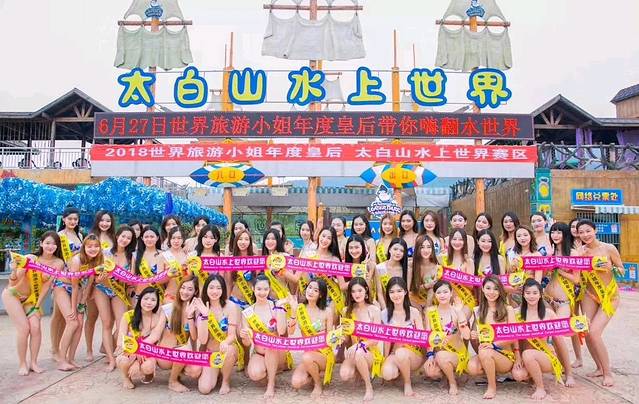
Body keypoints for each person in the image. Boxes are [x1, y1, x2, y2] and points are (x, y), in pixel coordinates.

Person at [3, 231, 62, 375]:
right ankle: (22, 363)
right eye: (47, 243)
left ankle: (34, 363)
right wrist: (14, 270)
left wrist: (37, 306)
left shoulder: (58, 263)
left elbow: (46, 287)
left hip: (32, 300)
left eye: (54, 244)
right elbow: (13, 281)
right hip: (13, 295)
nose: (50, 246)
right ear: (41, 244)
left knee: (35, 327)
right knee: (24, 328)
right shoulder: (31, 258)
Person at [577, 219, 624, 387]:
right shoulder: (580, 251)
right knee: (587, 331)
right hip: (589, 295)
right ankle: (598, 367)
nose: (585, 235)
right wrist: (579, 258)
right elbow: (575, 275)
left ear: (595, 230)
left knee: (595, 332)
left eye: (588, 231)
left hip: (609, 296)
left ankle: (607, 373)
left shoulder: (609, 248)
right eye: (581, 232)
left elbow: (622, 270)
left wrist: (611, 268)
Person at [511, 279, 575, 400]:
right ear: (523, 295)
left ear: (540, 294)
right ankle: (532, 376)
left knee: (528, 354)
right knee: (518, 375)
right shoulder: (516, 314)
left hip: (545, 356)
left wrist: (569, 374)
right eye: (528, 293)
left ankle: (540, 388)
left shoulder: (548, 314)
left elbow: (560, 342)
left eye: (535, 293)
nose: (531, 296)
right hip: (525, 357)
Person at [467, 276, 519, 400]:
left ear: (500, 291)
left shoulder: (508, 309)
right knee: (472, 367)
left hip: (505, 355)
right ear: (483, 289)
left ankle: (492, 387)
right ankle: (491, 372)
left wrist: (517, 356)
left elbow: (514, 336)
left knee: (485, 352)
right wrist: (474, 335)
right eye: (488, 288)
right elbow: (477, 335)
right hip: (486, 351)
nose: (492, 292)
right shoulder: (478, 311)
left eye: (496, 289)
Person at [56, 234, 102, 371]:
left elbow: (89, 284)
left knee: (80, 324)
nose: (93, 249)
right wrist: (73, 308)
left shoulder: (96, 261)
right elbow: (74, 286)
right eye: (89, 246)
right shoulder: (77, 260)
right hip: (63, 287)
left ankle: (71, 359)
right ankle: (62, 360)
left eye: (96, 246)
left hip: (80, 290)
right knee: (72, 323)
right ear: (84, 247)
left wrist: (81, 304)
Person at [239, 275, 290, 400]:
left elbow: (282, 331)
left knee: (270, 345)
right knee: (255, 374)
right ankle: (269, 372)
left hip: (277, 351)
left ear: (269, 290)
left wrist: (280, 309)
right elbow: (247, 344)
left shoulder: (276, 306)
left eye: (265, 289)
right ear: (253, 289)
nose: (262, 292)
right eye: (259, 289)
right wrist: (244, 336)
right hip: (259, 353)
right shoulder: (248, 312)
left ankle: (271, 384)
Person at [93, 226, 136, 371]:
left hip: (119, 291)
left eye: (128, 238)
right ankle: (111, 359)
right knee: (106, 323)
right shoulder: (105, 253)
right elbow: (96, 278)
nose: (125, 240)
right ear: (117, 236)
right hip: (102, 289)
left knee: (122, 323)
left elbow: (131, 279)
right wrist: (101, 279)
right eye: (123, 236)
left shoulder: (131, 257)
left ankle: (114, 350)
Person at [288, 279, 334, 398]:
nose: (311, 291)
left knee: (307, 357)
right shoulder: (300, 308)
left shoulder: (327, 311)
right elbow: (290, 332)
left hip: (323, 354)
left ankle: (318, 384)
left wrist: (337, 336)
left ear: (321, 295)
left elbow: (330, 338)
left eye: (316, 290)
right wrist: (293, 312)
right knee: (296, 383)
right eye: (309, 287)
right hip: (308, 354)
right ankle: (316, 374)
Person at [194, 274, 240, 395]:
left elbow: (232, 335)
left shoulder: (230, 306)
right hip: (211, 352)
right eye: (211, 287)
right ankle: (217, 371)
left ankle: (225, 381)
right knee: (204, 389)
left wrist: (225, 342)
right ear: (206, 289)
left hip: (227, 349)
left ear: (223, 289)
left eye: (218, 288)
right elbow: (202, 340)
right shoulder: (200, 307)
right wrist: (204, 316)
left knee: (229, 350)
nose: (215, 291)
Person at [424, 280, 470, 396]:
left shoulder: (457, 311)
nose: (442, 295)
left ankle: (452, 382)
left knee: (441, 356)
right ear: (435, 295)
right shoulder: (430, 312)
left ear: (451, 293)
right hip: (439, 352)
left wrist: (459, 312)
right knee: (430, 371)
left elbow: (466, 335)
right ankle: (447, 373)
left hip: (457, 353)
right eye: (439, 292)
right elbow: (428, 336)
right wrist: (430, 356)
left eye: (445, 292)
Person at [339, 277, 382, 402]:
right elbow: (347, 338)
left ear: (366, 290)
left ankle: (368, 387)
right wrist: (340, 337)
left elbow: (376, 339)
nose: (357, 294)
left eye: (360, 290)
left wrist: (359, 345)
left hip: (370, 351)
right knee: (345, 375)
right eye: (353, 291)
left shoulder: (374, 310)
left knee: (359, 352)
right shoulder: (346, 311)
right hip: (353, 351)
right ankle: (360, 371)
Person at [115, 287, 166, 389]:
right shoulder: (128, 316)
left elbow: (155, 337)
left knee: (147, 367)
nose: (149, 302)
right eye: (146, 299)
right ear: (140, 299)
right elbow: (121, 340)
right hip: (129, 350)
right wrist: (134, 353)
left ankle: (148, 373)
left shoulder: (158, 318)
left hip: (148, 351)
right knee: (123, 360)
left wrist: (139, 356)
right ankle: (126, 378)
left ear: (157, 303)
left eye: (153, 300)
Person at [381, 277, 424, 397]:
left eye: (399, 291)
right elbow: (386, 341)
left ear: (405, 292)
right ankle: (401, 372)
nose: (396, 295)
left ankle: (407, 383)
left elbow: (422, 337)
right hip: (395, 353)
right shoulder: (384, 314)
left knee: (401, 353)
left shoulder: (414, 312)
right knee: (387, 373)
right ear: (388, 294)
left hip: (414, 353)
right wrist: (385, 359)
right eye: (392, 292)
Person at [157, 275, 200, 392]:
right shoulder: (169, 308)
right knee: (184, 351)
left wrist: (190, 317)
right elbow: (156, 334)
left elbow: (195, 337)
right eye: (183, 287)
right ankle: (173, 381)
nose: (185, 292)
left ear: (196, 292)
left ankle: (178, 372)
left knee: (195, 371)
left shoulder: (197, 311)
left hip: (182, 352)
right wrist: (141, 348)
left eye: (190, 289)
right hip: (165, 356)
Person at [52, 207, 83, 363]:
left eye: (75, 219)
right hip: (62, 281)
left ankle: (61, 350)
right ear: (63, 219)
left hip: (76, 282)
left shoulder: (80, 236)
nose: (72, 221)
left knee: (63, 317)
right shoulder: (58, 236)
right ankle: (55, 349)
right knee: (58, 317)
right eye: (70, 218)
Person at [86, 210, 116, 360]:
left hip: (112, 284)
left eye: (108, 221)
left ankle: (106, 347)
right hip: (94, 283)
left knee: (109, 319)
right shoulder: (92, 237)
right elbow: (86, 260)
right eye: (102, 220)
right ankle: (89, 350)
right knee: (91, 317)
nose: (105, 223)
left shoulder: (114, 238)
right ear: (97, 221)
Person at [133, 227, 167, 305]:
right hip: (140, 294)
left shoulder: (164, 254)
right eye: (146, 237)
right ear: (142, 238)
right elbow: (132, 275)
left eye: (152, 237)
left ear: (157, 238)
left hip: (158, 294)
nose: (149, 239)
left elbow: (166, 276)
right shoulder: (136, 255)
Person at [375, 238, 409, 310]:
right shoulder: (379, 268)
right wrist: (385, 311)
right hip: (385, 306)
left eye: (401, 251)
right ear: (390, 249)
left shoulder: (406, 269)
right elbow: (379, 293)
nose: (398, 253)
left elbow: (407, 292)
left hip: (402, 307)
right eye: (395, 249)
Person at [410, 234, 440, 310]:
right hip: (414, 300)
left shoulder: (437, 266)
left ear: (432, 249)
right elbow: (409, 290)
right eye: (422, 247)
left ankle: (427, 310)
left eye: (429, 247)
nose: (426, 250)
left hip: (431, 301)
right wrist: (427, 285)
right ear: (417, 249)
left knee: (432, 289)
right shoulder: (411, 265)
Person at [162, 226, 189, 304]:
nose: (176, 241)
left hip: (186, 297)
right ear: (169, 239)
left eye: (179, 238)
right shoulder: (163, 256)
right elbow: (158, 281)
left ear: (183, 239)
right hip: (169, 297)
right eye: (173, 238)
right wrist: (168, 275)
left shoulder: (188, 256)